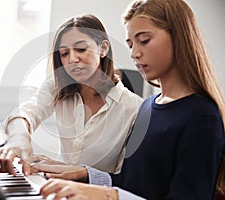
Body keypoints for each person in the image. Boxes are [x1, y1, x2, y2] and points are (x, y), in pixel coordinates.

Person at [37, 0, 225, 199]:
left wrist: (109, 195)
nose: (134, 53)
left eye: (143, 40)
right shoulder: (147, 108)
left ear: (179, 37)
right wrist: (81, 173)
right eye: (130, 44)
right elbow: (130, 184)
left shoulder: (201, 116)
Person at [0, 14, 143, 176]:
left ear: (103, 49)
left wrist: (71, 171)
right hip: (57, 187)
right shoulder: (57, 87)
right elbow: (27, 112)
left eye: (81, 49)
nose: (72, 59)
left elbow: (124, 180)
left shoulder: (134, 108)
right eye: (64, 53)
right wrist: (18, 139)